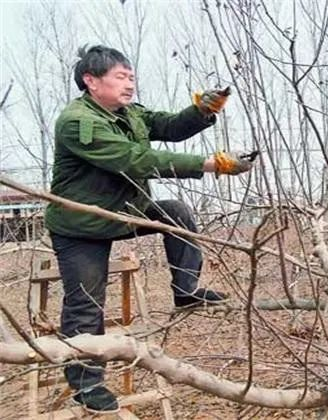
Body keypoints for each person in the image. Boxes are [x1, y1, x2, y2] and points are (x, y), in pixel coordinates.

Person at [44, 45, 256, 413]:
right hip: (81, 226)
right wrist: (210, 164)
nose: (130, 84)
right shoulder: (78, 122)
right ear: (91, 81)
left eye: (131, 77)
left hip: (123, 212)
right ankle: (86, 385)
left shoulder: (130, 113)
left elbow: (170, 127)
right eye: (121, 77)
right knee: (86, 304)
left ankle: (186, 290)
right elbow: (135, 159)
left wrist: (202, 111)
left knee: (175, 213)